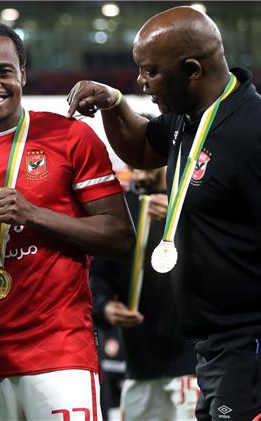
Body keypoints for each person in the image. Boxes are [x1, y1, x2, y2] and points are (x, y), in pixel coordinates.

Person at [67, 6, 261, 421]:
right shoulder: (188, 119)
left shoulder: (260, 136)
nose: (140, 81)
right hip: (220, 343)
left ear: (192, 70)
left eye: (150, 71)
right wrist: (115, 103)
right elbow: (141, 148)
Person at [0, 22, 135, 421]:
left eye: (3, 71)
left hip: (59, 351)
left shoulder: (70, 137)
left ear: (23, 74)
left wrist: (33, 214)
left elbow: (120, 236)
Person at [90, 167, 198, 421]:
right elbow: (98, 276)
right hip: (139, 364)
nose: (138, 173)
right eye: (131, 165)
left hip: (193, 363)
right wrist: (105, 307)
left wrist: (183, 217)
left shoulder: (193, 198)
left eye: (144, 163)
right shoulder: (121, 209)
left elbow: (220, 258)